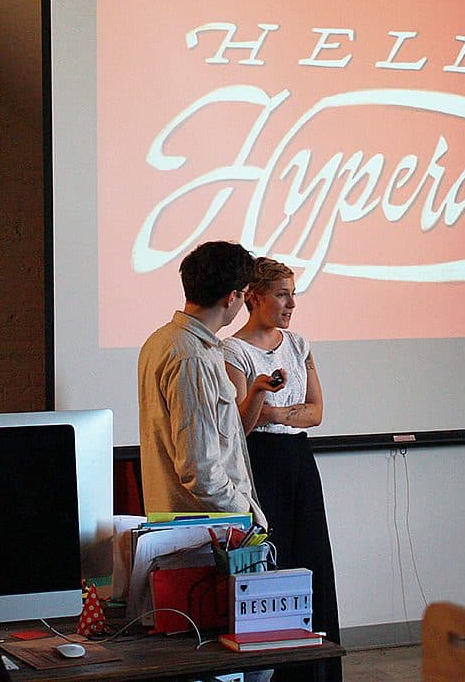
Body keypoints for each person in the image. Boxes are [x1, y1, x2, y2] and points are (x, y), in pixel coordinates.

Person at [223, 257, 341, 682]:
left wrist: (274, 412)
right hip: (261, 463)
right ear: (254, 298)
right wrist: (272, 408)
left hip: (299, 460)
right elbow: (241, 422)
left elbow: (317, 413)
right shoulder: (233, 350)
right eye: (282, 294)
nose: (292, 304)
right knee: (272, 561)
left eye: (293, 294)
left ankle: (315, 671)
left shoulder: (299, 344)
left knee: (311, 557)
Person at [137, 240, 266, 527]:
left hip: (186, 527)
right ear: (232, 297)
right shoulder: (192, 357)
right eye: (245, 294)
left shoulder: (162, 340)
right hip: (206, 531)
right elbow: (200, 470)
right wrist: (247, 513)